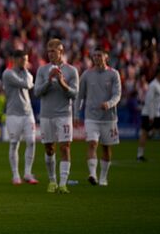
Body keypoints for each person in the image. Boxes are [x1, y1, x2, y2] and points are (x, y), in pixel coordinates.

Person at [34, 38, 79, 194]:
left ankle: (63, 183)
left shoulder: (71, 71)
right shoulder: (42, 70)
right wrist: (48, 80)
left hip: (64, 114)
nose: (51, 54)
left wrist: (61, 82)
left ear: (61, 52)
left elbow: (74, 94)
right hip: (46, 115)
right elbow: (37, 92)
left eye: (54, 51)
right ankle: (52, 180)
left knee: (65, 147)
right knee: (49, 148)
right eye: (49, 51)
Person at [76, 47, 122, 186]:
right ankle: (92, 174)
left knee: (106, 148)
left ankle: (103, 177)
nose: (96, 58)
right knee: (92, 143)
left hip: (109, 118)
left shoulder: (114, 74)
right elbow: (80, 96)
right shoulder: (86, 74)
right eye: (94, 55)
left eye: (99, 55)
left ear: (106, 57)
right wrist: (77, 113)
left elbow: (117, 94)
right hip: (91, 116)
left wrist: (109, 104)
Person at [1, 49, 38, 186]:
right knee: (14, 143)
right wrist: (28, 76)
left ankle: (28, 173)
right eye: (23, 59)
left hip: (28, 113)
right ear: (15, 60)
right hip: (13, 114)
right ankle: (16, 175)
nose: (26, 62)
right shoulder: (8, 73)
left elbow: (28, 83)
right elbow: (27, 84)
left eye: (27, 59)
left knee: (31, 142)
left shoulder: (25, 73)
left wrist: (27, 75)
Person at [136, 67, 160, 162]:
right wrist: (151, 116)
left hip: (154, 114)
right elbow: (149, 100)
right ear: (159, 74)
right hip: (150, 114)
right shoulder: (153, 85)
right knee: (149, 133)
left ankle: (140, 155)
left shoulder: (158, 84)